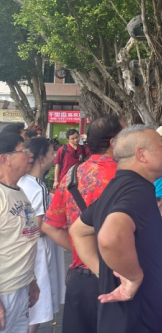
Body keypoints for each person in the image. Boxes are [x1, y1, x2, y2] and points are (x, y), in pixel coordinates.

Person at [69, 126, 162, 333]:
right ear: (141, 155)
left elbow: (79, 231)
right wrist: (133, 277)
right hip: (137, 320)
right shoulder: (136, 190)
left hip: (122, 317)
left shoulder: (117, 187)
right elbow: (111, 236)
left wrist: (103, 273)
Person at [42, 115, 124, 333]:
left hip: (81, 279)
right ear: (114, 142)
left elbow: (49, 225)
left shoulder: (72, 175)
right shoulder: (126, 176)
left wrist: (82, 248)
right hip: (120, 277)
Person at [18, 138, 65, 333]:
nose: (54, 157)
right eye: (51, 153)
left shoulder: (21, 182)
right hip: (38, 252)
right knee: (37, 303)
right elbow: (38, 228)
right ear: (40, 158)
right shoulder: (37, 188)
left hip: (23, 250)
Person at [0, 132, 40, 333]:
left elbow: (21, 239)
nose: (30, 154)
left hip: (20, 286)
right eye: (23, 150)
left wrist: (31, 280)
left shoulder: (18, 190)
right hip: (4, 292)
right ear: (4, 159)